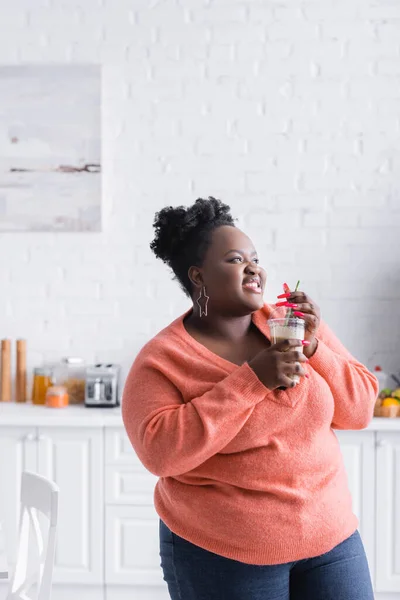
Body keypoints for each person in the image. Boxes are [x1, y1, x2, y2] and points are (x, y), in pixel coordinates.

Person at [122, 197, 378, 600]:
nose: (253, 267)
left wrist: (316, 346)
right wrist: (252, 380)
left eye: (255, 258)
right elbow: (159, 453)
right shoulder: (163, 359)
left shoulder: (289, 324)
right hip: (224, 554)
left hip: (333, 540)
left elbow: (361, 409)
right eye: (236, 259)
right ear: (198, 276)